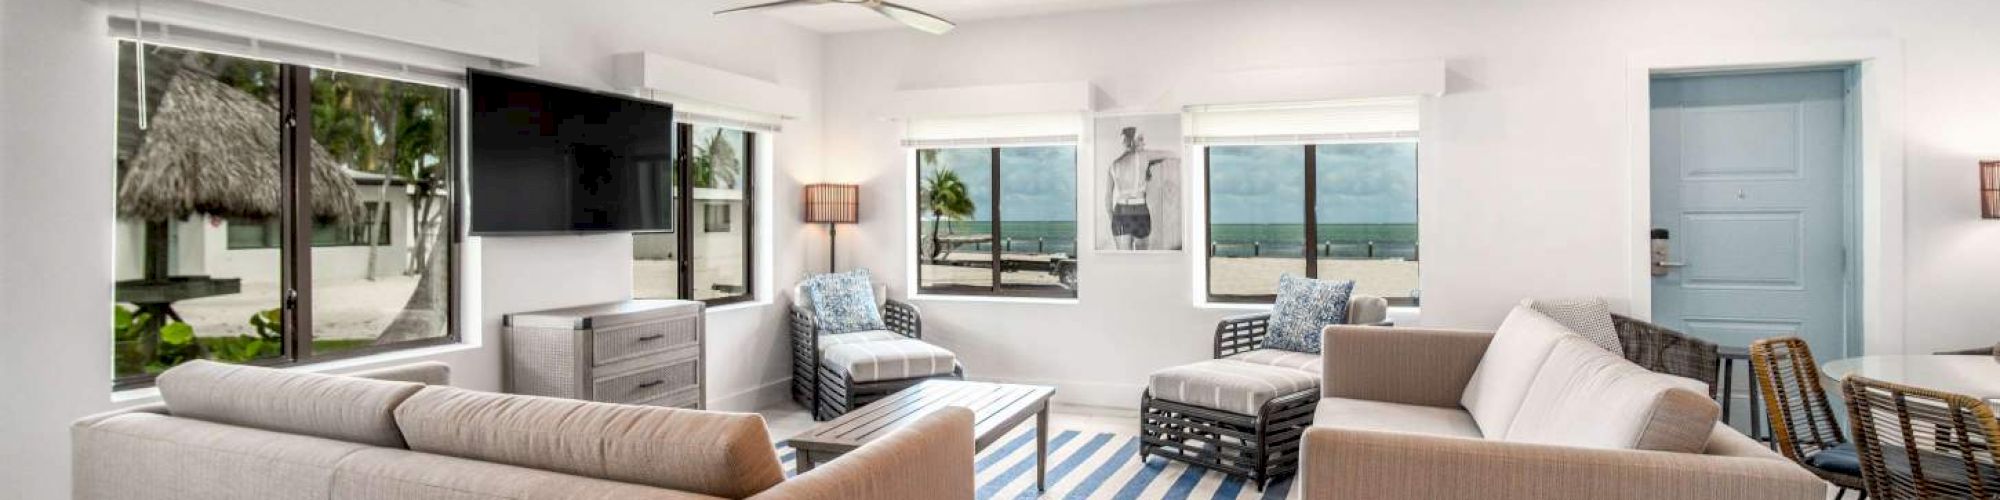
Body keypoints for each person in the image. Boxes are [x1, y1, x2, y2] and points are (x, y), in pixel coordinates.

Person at [1108, 126, 1168, 250]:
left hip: (1120, 212)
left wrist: (1112, 218)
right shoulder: (1143, 156)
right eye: (1140, 139)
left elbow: (1107, 197)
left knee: (1123, 260)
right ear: (1132, 141)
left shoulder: (1114, 165)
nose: (1144, 142)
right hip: (1139, 210)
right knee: (1142, 258)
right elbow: (1170, 153)